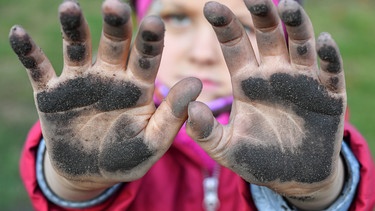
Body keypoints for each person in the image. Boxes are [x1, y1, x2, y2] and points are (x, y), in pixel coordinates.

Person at [9, 0, 375, 210]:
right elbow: (67, 193)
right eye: (179, 18)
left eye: (242, 26)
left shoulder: (309, 132)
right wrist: (76, 184)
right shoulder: (104, 124)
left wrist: (318, 193)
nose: (202, 54)